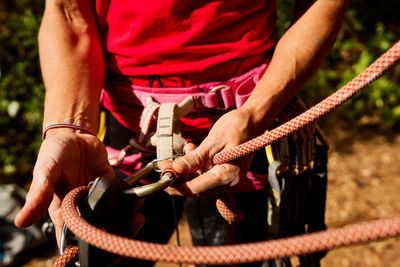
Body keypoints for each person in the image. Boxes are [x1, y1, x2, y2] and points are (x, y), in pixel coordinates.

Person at [14, 0, 348, 266]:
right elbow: (67, 12)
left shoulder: (250, 120)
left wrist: (255, 114)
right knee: (101, 258)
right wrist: (68, 126)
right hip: (120, 132)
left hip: (245, 127)